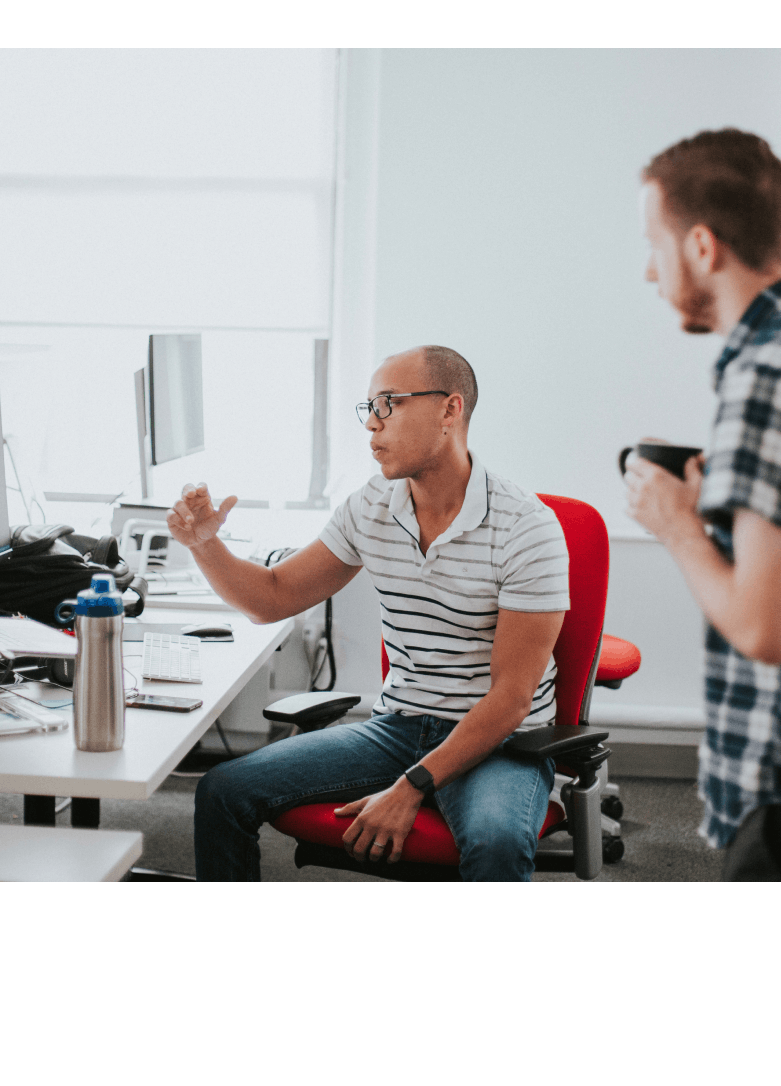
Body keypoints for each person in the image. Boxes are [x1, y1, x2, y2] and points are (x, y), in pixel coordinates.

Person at [166, 345, 570, 881]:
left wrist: (410, 788)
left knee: (497, 841)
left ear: (450, 410)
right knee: (223, 790)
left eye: (390, 404)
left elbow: (511, 699)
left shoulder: (527, 528)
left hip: (496, 742)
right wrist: (204, 545)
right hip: (401, 727)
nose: (372, 425)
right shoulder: (371, 506)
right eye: (369, 408)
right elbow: (270, 599)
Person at [624, 129, 781, 881]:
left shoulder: (768, 373)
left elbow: (764, 628)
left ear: (703, 247)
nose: (650, 270)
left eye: (656, 243)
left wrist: (676, 524)